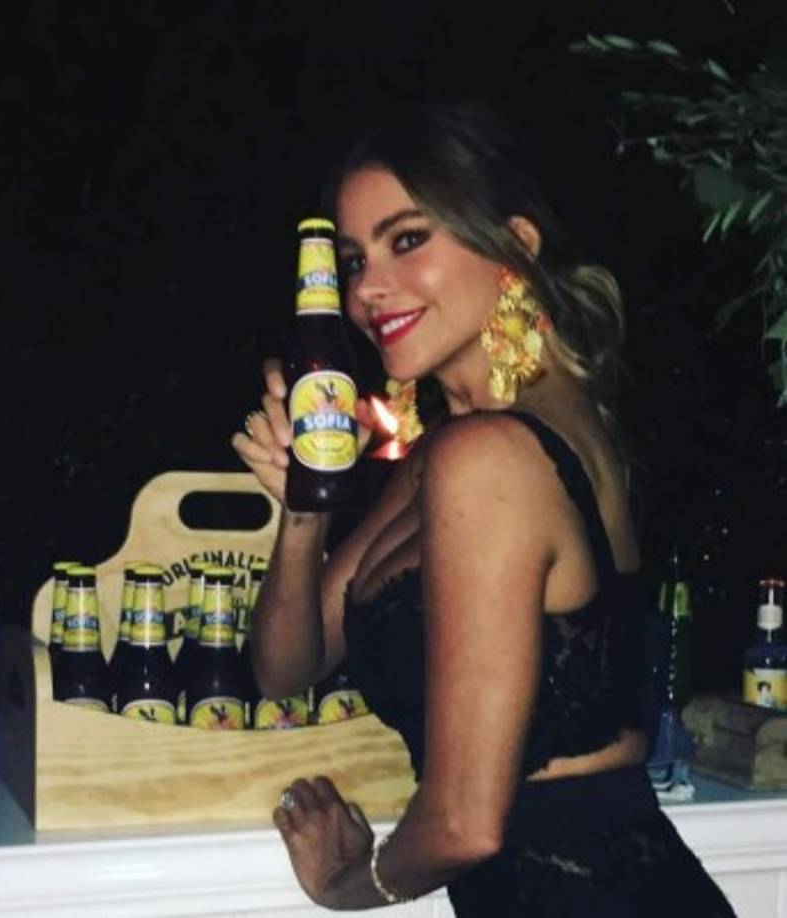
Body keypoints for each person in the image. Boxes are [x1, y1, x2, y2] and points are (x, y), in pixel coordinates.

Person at [232, 101, 734, 916]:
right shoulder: (468, 445)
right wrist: (302, 507)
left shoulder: (490, 456)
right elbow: (287, 669)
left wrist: (346, 885)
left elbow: (463, 826)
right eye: (353, 260)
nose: (368, 291)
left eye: (406, 240)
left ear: (515, 246)